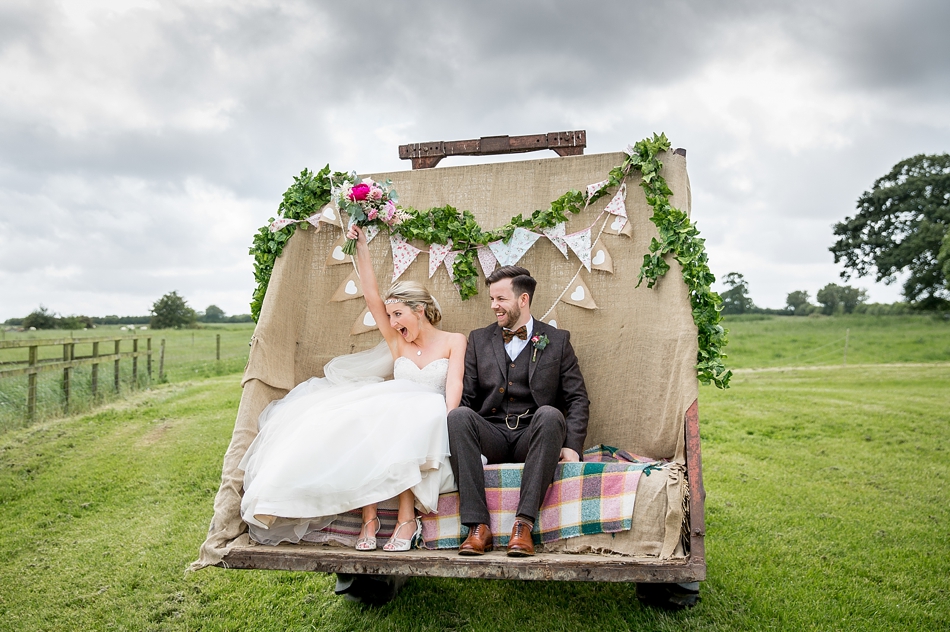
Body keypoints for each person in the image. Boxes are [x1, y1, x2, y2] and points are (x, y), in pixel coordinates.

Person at [239, 225, 466, 551]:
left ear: (419, 310)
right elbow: (371, 295)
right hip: (394, 405)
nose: (392, 322)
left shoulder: (453, 341)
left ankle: (406, 519)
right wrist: (360, 246)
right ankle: (369, 519)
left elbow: (454, 381)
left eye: (398, 314)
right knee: (358, 417)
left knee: (407, 421)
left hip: (432, 410)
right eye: (389, 316)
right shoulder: (396, 340)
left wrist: (451, 417)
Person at [447, 266, 589, 557]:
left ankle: (523, 525)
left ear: (523, 300)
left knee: (550, 414)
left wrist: (572, 446)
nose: (493, 306)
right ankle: (477, 527)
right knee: (458, 416)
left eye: (500, 299)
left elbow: (577, 399)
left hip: (532, 436)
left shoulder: (557, 340)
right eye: (491, 298)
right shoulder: (478, 339)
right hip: (493, 433)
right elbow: (469, 397)